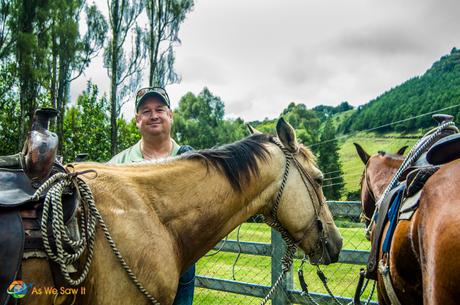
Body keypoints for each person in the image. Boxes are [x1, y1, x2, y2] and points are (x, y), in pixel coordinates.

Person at [109, 86, 195, 305]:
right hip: (129, 264)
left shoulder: (189, 161)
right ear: (138, 119)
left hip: (181, 264)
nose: (154, 115)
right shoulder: (118, 165)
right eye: (146, 111)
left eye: (159, 109)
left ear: (170, 115)